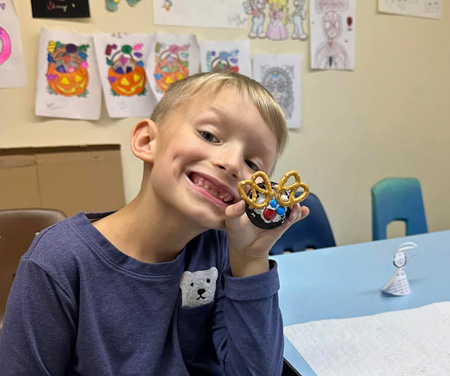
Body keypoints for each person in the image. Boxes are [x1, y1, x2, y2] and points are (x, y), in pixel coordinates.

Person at [0, 71, 309, 375]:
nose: (231, 164)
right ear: (148, 141)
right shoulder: (58, 262)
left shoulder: (221, 250)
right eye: (209, 135)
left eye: (252, 164)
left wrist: (251, 259)